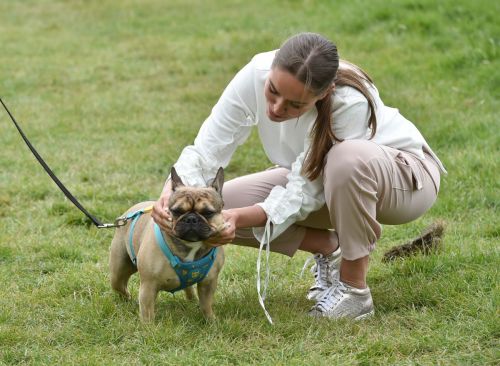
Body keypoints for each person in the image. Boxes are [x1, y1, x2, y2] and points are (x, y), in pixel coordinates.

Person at [152, 32, 446, 321]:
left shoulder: (349, 101)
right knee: (219, 209)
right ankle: (329, 249)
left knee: (345, 160)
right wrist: (171, 193)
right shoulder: (256, 72)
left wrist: (243, 217)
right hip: (324, 182)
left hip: (405, 183)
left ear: (325, 93)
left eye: (295, 104)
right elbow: (207, 149)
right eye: (273, 91)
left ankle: (355, 290)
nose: (277, 108)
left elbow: (306, 190)